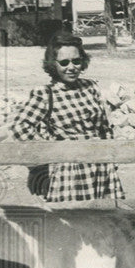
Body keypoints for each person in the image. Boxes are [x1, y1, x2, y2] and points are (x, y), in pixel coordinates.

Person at [12, 32, 125, 204]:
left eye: (76, 61)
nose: (71, 67)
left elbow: (104, 127)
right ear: (53, 64)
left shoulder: (91, 87)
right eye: (64, 62)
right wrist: (49, 153)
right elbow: (20, 127)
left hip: (101, 167)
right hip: (70, 173)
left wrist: (111, 157)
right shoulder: (45, 94)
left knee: (109, 222)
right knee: (74, 224)